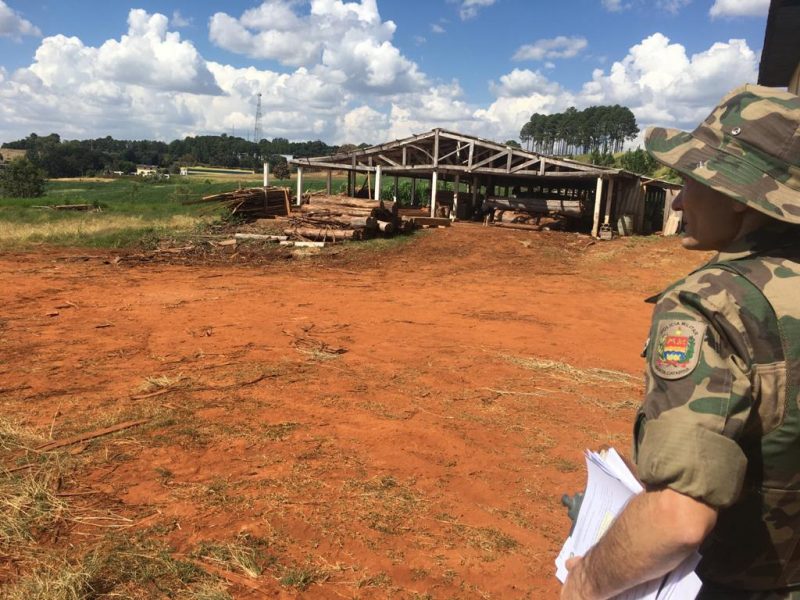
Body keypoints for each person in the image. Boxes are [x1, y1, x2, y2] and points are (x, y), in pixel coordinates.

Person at [561, 84, 800, 600]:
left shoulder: (715, 302)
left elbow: (678, 517)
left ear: (741, 199)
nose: (678, 197)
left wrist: (586, 580)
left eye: (693, 180)